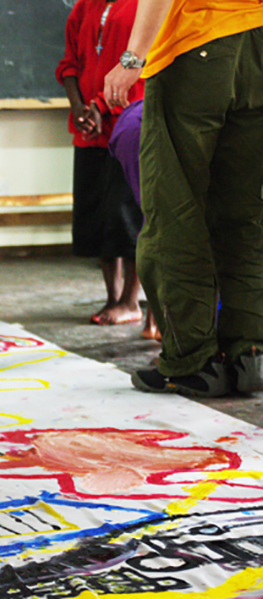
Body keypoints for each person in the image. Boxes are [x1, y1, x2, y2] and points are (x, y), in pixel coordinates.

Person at [105, 0, 263, 396]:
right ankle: (248, 352)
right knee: (244, 214)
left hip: (197, 46)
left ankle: (192, 362)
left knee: (174, 211)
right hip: (257, 45)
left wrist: (132, 57)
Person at [56, 0, 146, 327]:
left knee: (129, 216)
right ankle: (113, 296)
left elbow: (140, 66)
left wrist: (98, 105)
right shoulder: (83, 8)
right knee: (98, 216)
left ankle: (131, 301)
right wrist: (80, 107)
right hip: (89, 130)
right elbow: (69, 65)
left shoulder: (142, 6)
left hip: (127, 125)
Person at [106, 99, 159, 340]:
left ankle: (158, 322)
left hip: (137, 126)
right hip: (137, 128)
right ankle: (157, 321)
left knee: (158, 225)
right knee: (157, 225)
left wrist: (128, 62)